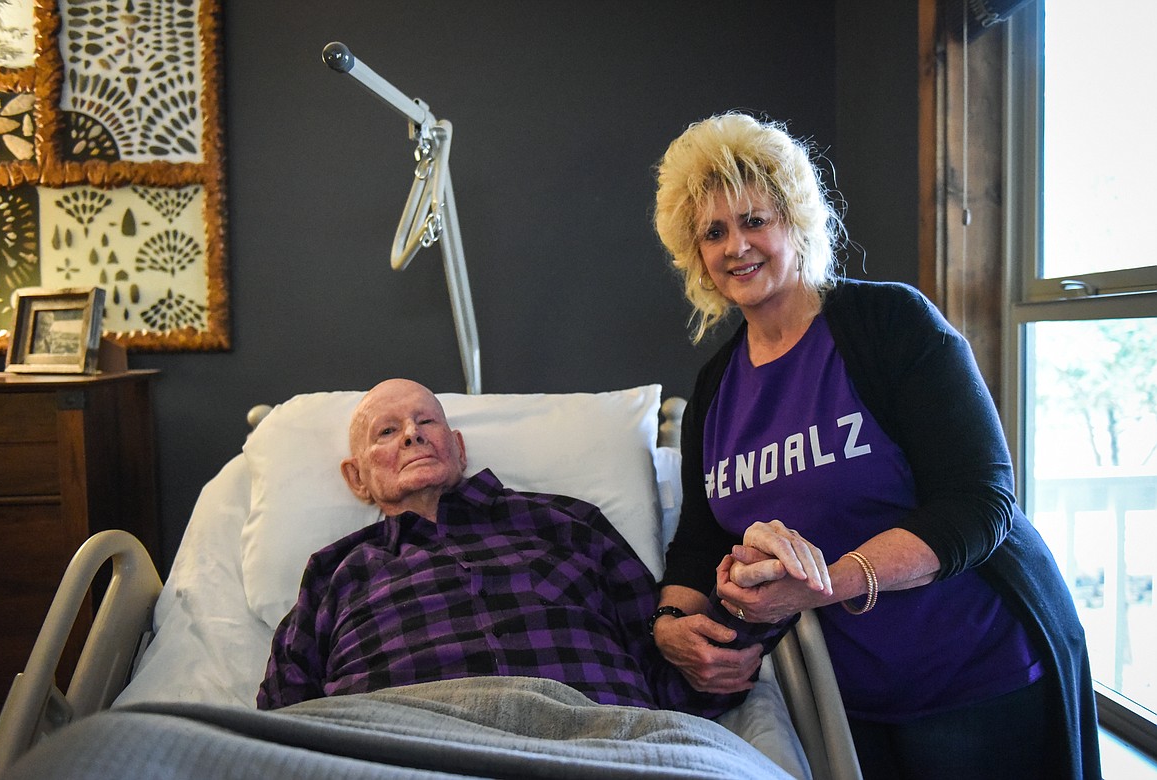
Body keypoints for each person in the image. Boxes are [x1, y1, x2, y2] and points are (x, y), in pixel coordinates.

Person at [649, 111, 1100, 779]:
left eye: (755, 220)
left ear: (795, 220)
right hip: (851, 702)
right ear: (696, 254)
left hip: (978, 675)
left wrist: (823, 586)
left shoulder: (890, 323)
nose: (736, 246)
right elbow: (700, 538)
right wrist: (672, 623)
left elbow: (980, 504)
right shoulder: (716, 388)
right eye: (713, 231)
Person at [256, 378, 805, 718]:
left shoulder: (566, 523)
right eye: (386, 432)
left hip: (597, 743)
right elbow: (284, 723)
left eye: (427, 421)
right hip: (405, 747)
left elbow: (676, 677)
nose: (411, 435)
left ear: (458, 447)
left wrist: (746, 607)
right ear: (357, 479)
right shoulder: (335, 572)